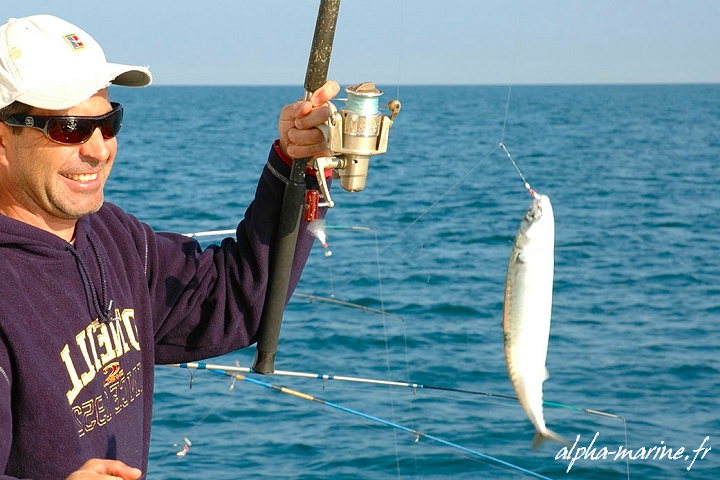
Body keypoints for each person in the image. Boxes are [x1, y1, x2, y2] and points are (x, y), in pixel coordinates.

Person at [0, 14, 339, 480]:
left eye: (109, 121)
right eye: (71, 128)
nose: (99, 149)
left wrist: (294, 169)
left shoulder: (113, 235)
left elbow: (233, 303)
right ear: (3, 138)